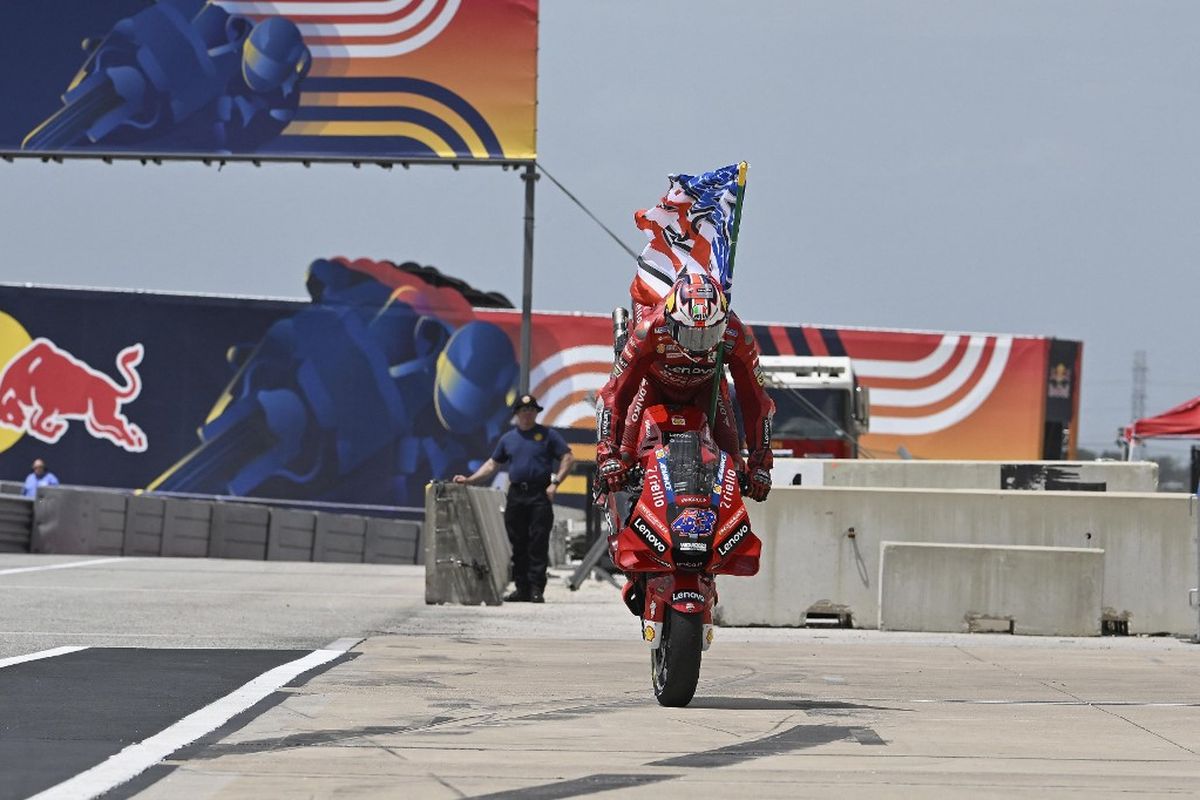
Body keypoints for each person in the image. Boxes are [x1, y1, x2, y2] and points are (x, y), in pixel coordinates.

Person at [595, 272, 775, 501]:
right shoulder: (649, 329)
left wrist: (760, 466)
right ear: (671, 321)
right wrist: (608, 455)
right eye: (689, 334)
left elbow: (757, 401)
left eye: (710, 334)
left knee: (733, 464)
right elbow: (614, 394)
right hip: (652, 386)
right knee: (625, 456)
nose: (699, 345)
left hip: (707, 388)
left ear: (722, 322)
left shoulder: (737, 333)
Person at [454, 394, 575, 603]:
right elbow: (493, 464)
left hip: (540, 494)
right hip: (517, 495)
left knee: (538, 542)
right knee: (518, 542)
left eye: (531, 410)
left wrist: (555, 483)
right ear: (517, 414)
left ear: (536, 413)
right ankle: (522, 588)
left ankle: (537, 588)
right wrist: (470, 480)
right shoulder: (508, 439)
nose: (527, 414)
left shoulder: (547, 435)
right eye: (522, 410)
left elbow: (568, 457)